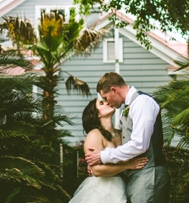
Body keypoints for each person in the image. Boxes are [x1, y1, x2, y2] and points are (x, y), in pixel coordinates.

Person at [84, 72, 170, 203]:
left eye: (106, 98)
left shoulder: (142, 102)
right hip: (135, 179)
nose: (108, 102)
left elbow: (139, 144)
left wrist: (102, 156)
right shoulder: (128, 109)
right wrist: (98, 164)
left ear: (114, 90)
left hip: (149, 174)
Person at [69, 98, 148, 203]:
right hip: (100, 190)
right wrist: (128, 165)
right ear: (97, 114)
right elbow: (96, 171)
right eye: (101, 103)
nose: (107, 102)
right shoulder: (94, 135)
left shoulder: (121, 134)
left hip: (122, 185)